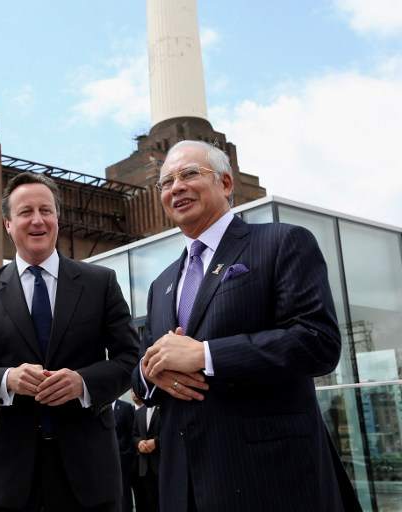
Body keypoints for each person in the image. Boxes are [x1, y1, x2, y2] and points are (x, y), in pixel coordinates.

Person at [131, 140, 361, 511]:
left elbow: (317, 342)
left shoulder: (281, 242)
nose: (176, 187)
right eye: (166, 182)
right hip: (182, 483)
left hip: (268, 478)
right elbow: (142, 369)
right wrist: (148, 371)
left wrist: (206, 355)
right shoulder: (162, 284)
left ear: (225, 183)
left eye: (190, 174)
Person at [0, 172, 139, 511]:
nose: (37, 220)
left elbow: (130, 359)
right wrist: (7, 380)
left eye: (46, 210)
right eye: (25, 212)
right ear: (8, 223)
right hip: (6, 478)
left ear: (57, 218)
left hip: (88, 475)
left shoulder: (100, 283)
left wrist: (83, 383)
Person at [131, 392, 160, 512]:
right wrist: (139, 443)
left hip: (161, 464)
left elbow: (170, 434)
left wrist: (156, 442)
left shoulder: (163, 410)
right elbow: (134, 435)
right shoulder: (138, 413)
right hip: (144, 467)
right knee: (148, 503)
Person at [113, 398, 136, 512]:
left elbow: (132, 433)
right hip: (104, 464)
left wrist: (126, 455)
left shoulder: (125, 407)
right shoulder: (97, 408)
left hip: (123, 462)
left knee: (124, 497)